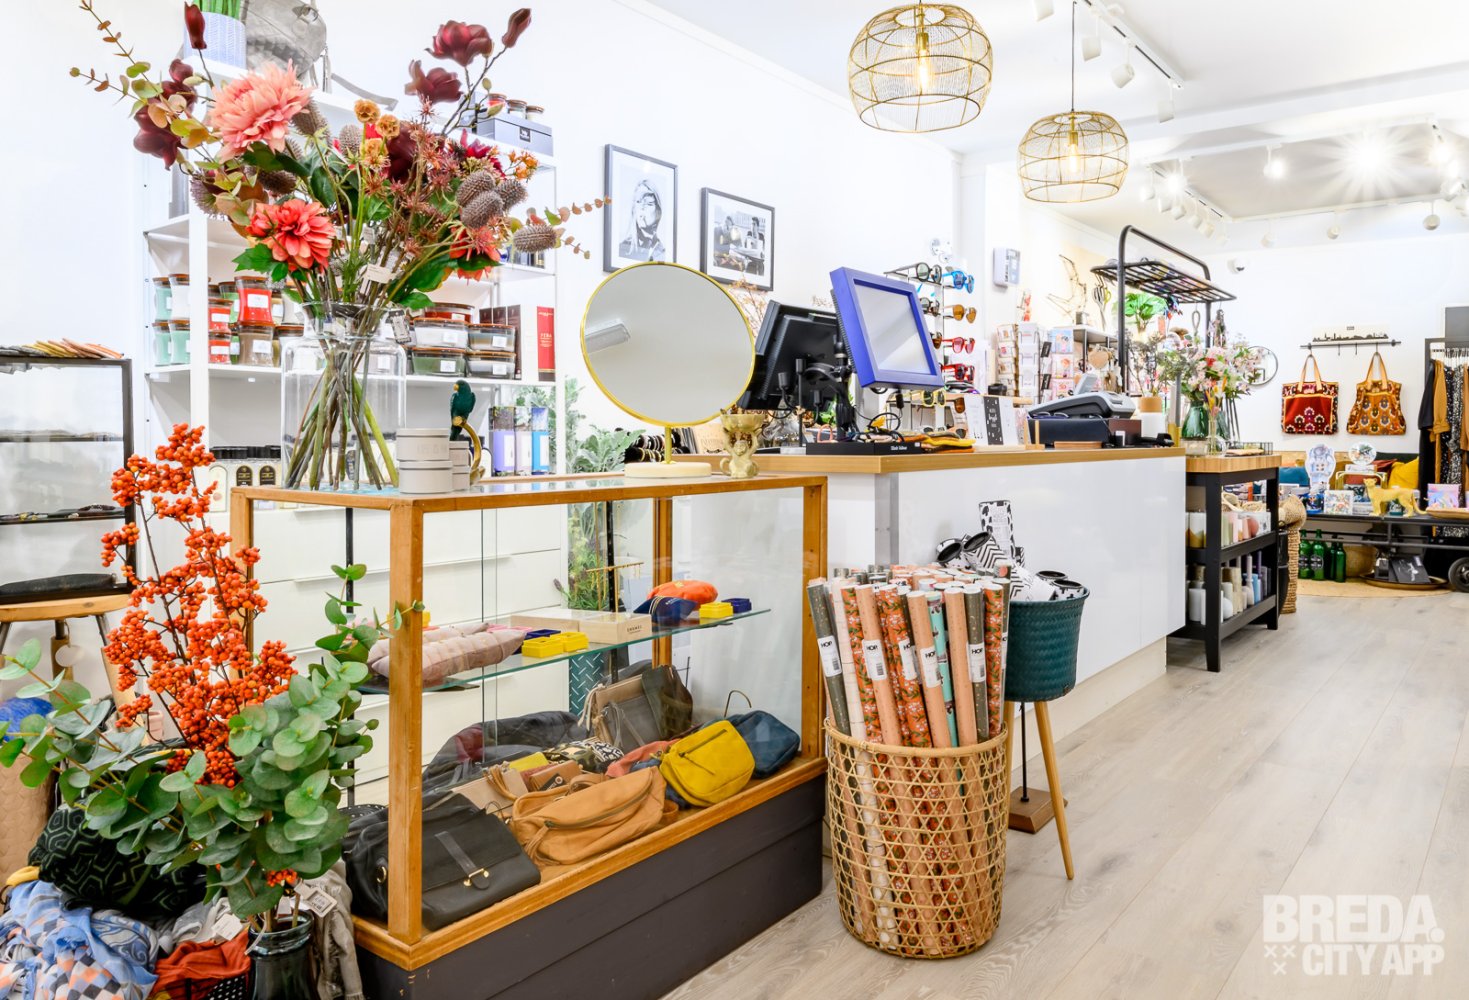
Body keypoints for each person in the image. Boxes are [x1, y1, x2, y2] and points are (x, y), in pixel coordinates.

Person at [619, 180, 667, 261]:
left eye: (649, 203)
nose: (642, 208)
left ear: (658, 211)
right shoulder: (623, 249)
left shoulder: (663, 252)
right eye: (638, 202)